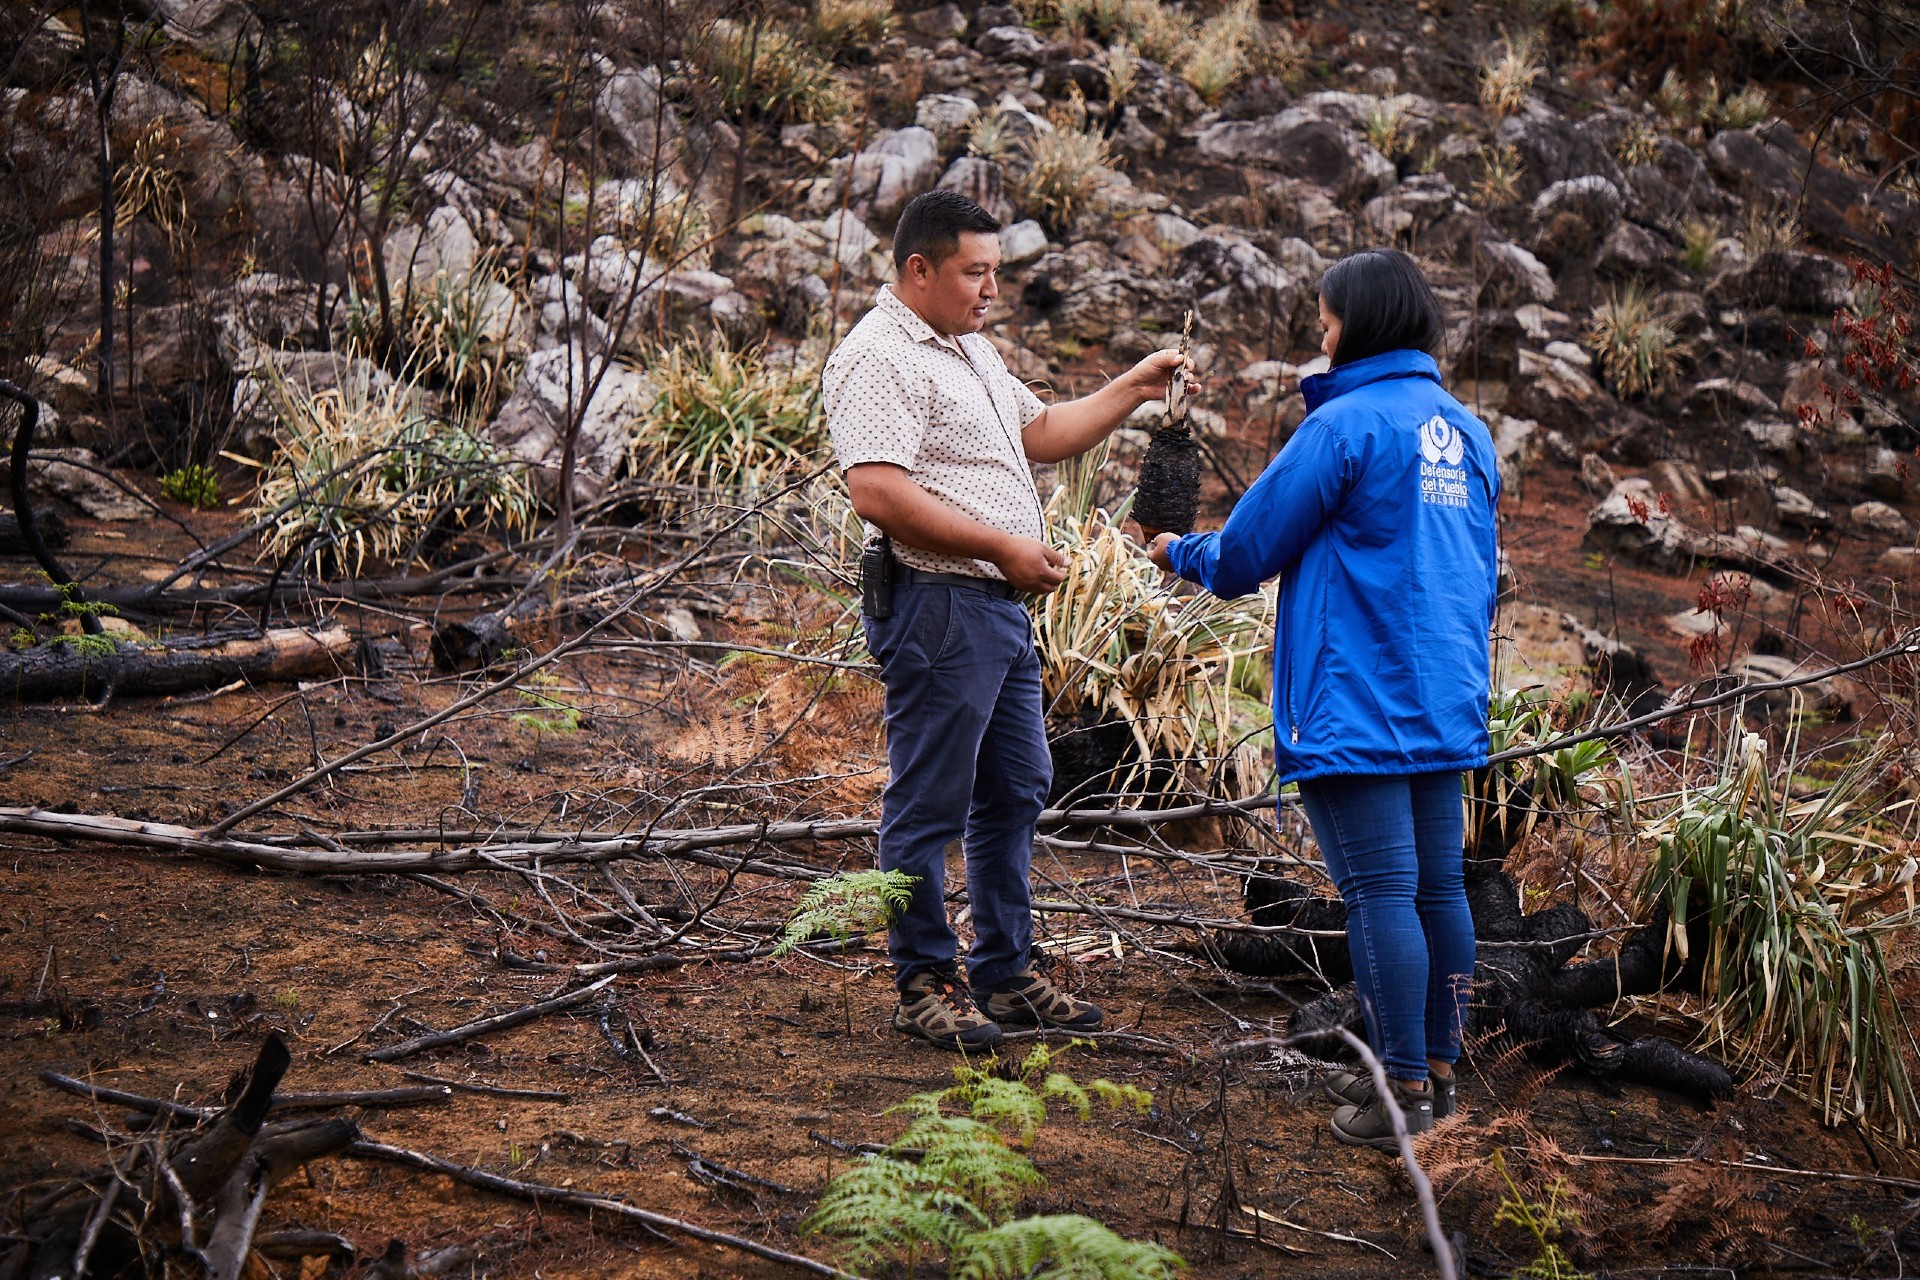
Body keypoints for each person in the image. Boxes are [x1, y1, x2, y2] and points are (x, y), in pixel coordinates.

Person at [1148, 248, 1500, 1146]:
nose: (1319, 334)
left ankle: (1400, 1096)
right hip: (1445, 700)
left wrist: (1173, 551)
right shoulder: (1467, 432)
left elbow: (1245, 553)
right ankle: (1444, 1080)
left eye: (1328, 319)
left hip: (1358, 699)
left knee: (1381, 896)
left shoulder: (1343, 429)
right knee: (1437, 892)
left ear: (1364, 324)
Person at [824, 190, 1189, 1051]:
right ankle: (922, 981)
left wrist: (1135, 386)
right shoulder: (880, 355)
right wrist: (1003, 548)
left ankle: (1005, 972)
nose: (992, 289)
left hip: (996, 610)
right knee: (929, 802)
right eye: (975, 272)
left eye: (996, 271)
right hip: (939, 604)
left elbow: (1046, 431)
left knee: (1016, 786)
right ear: (920, 270)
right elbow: (876, 490)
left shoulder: (969, 351)